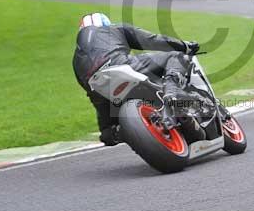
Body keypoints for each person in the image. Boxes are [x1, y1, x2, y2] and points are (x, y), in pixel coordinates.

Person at [72, 12, 202, 146]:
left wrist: (107, 127)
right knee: (176, 57)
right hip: (121, 65)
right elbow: (152, 40)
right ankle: (172, 93)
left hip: (100, 87)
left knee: (107, 133)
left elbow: (93, 96)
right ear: (105, 23)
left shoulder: (75, 60)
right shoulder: (115, 29)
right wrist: (184, 45)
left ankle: (116, 133)